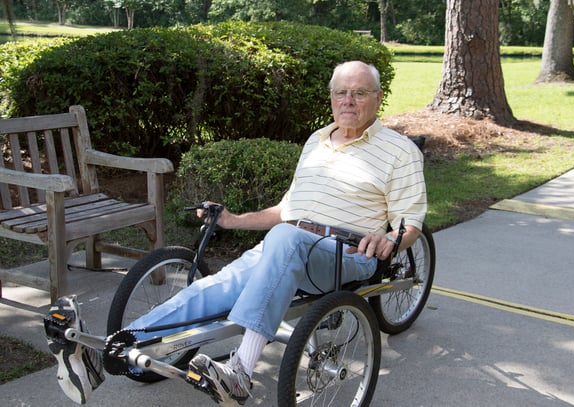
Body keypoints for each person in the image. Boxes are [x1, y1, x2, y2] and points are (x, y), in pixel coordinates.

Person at [44, 60, 427, 406]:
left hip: (347, 254)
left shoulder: (399, 151)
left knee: (285, 239)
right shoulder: (317, 141)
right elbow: (285, 211)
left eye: (359, 93)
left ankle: (240, 373)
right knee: (210, 289)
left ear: (377, 97)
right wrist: (232, 220)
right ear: (330, 97)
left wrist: (391, 240)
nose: (348, 100)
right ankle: (108, 351)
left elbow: (411, 222)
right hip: (288, 246)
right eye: (341, 92)